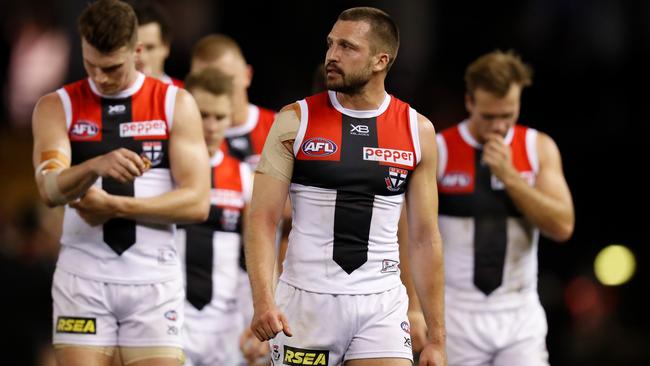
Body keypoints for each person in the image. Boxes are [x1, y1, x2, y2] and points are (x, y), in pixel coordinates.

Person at [246, 7, 446, 366]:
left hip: (381, 303)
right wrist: (263, 302)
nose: (332, 56)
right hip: (306, 301)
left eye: (347, 47)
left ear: (379, 61)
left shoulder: (418, 130)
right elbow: (262, 218)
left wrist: (437, 336)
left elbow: (424, 238)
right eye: (330, 44)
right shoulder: (295, 119)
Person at [30, 1, 210, 365]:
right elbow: (49, 190)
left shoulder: (175, 103)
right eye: (90, 65)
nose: (99, 78)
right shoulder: (57, 105)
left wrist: (118, 206)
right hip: (83, 277)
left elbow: (196, 203)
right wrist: (96, 164)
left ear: (137, 51)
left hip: (152, 279)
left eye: (111, 68)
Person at [434, 50, 575, 366]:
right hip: (455, 313)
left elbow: (563, 226)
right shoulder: (440, 149)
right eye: (488, 116)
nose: (498, 127)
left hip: (518, 312)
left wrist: (511, 178)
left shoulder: (537, 147)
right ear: (469, 101)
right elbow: (410, 233)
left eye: (507, 115)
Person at [176, 68, 253, 365]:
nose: (210, 126)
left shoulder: (244, 176)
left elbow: (257, 253)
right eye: (202, 114)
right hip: (170, 321)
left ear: (230, 117)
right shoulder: (162, 172)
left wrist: (255, 315)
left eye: (219, 117)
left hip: (227, 327)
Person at [190, 34, 276, 168]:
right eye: (204, 83)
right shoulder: (181, 134)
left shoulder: (279, 128)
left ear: (247, 76)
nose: (215, 91)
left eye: (225, 80)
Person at [130, 0, 184, 87]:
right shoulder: (105, 97)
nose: (143, 58)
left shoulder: (187, 96)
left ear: (166, 46)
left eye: (150, 48)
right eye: (134, 49)